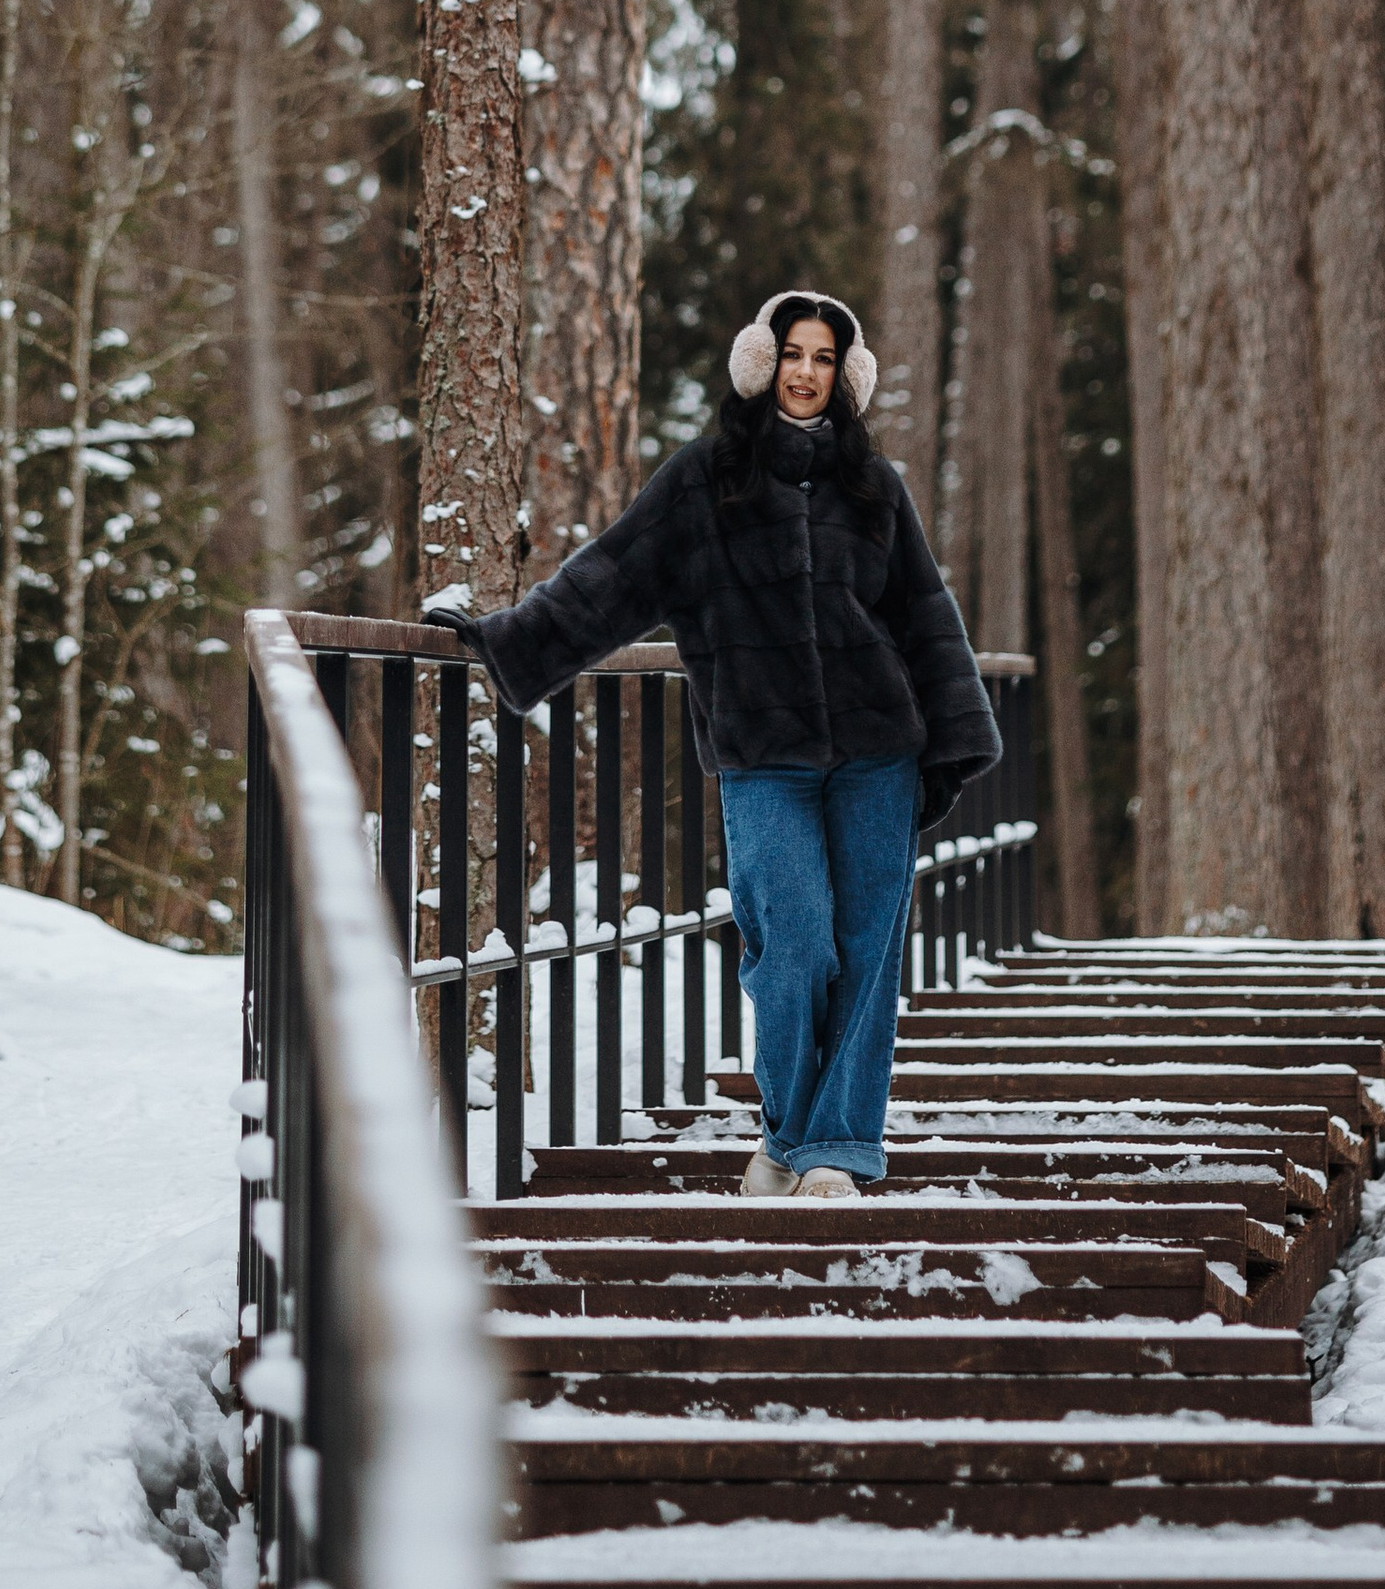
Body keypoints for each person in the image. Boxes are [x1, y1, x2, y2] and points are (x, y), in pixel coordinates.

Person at [425, 287, 999, 1195]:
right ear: (758, 363)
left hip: (878, 749)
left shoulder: (872, 486)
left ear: (842, 376)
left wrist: (954, 739)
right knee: (796, 945)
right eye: (790, 354)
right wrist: (507, 638)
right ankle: (785, 1133)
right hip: (761, 753)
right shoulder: (706, 480)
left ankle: (838, 1151)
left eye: (821, 358)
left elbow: (924, 618)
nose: (803, 373)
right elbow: (610, 578)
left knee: (868, 949)